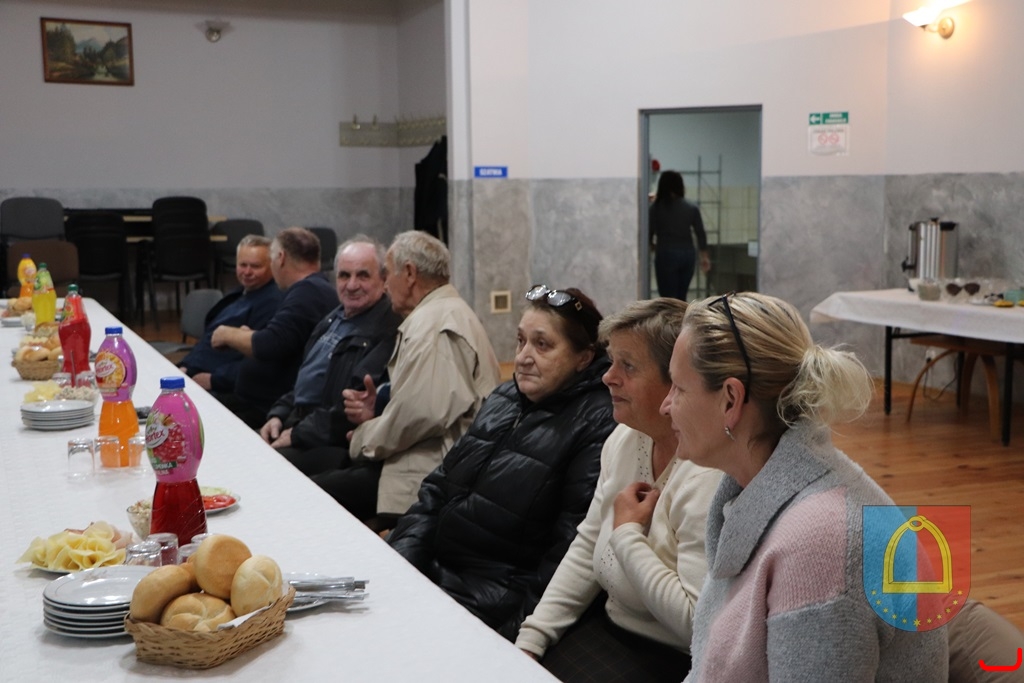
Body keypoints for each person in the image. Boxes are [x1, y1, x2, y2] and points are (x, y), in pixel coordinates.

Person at [662, 292, 948, 681]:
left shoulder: (821, 548)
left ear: (730, 399)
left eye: (678, 388)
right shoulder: (760, 487)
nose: (666, 405)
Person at [387, 285, 616, 640]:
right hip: (432, 571)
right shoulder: (505, 397)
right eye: (521, 341)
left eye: (542, 345)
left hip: (490, 601)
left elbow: (567, 553)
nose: (523, 357)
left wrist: (518, 638)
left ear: (583, 358)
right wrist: (399, 564)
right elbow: (438, 489)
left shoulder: (597, 424)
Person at [516, 298, 720, 682]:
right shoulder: (625, 438)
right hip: (609, 627)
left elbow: (696, 625)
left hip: (672, 657)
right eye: (611, 362)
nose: (607, 377)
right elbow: (587, 543)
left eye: (628, 366)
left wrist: (627, 535)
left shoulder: (708, 474)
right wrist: (533, 637)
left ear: (675, 380)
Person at [318, 230, 501, 525]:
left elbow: (420, 415)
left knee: (313, 492)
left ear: (410, 273)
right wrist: (380, 410)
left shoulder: (433, 325)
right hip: (428, 458)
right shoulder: (441, 312)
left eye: (388, 273)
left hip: (432, 474)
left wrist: (363, 438)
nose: (386, 284)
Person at [259, 235, 401, 472]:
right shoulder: (333, 318)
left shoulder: (386, 330)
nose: (352, 285)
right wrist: (278, 415)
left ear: (383, 279)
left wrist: (297, 434)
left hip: (331, 441)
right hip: (300, 422)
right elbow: (305, 381)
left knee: (261, 467)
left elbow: (349, 411)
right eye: (344, 275)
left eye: (363, 275)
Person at [211, 227, 339, 429]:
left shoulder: (307, 292)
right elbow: (284, 338)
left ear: (281, 257)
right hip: (262, 401)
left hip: (266, 408)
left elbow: (269, 345)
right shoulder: (312, 289)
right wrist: (249, 335)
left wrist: (226, 333)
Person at [177, 235, 282, 393]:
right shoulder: (241, 293)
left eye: (255, 266)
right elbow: (207, 342)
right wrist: (186, 366)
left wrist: (215, 380)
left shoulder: (272, 304)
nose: (247, 272)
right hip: (195, 373)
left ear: (272, 266)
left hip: (222, 386)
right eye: (242, 265)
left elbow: (262, 361)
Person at [649, 171, 709, 301]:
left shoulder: (655, 208)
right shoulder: (691, 207)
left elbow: (649, 232)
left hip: (666, 254)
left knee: (668, 299)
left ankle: (671, 315)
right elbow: (700, 233)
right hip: (688, 254)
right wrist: (704, 257)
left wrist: (652, 246)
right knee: (681, 297)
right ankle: (682, 314)